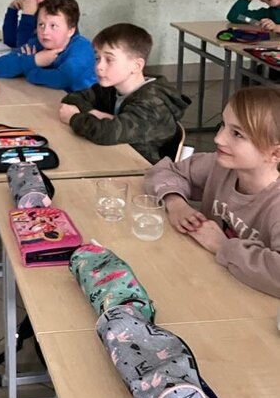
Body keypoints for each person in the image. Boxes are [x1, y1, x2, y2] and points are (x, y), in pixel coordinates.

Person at [144, 88, 280, 299]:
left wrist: (222, 246)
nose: (218, 138)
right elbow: (164, 171)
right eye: (223, 125)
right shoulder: (221, 166)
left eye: (237, 134)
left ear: (275, 153)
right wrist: (176, 203)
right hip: (203, 284)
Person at [58, 23, 189, 163]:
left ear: (136, 66)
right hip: (115, 157)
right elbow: (73, 98)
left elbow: (107, 133)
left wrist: (74, 118)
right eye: (97, 58)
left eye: (109, 60)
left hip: (141, 169)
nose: (99, 66)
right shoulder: (111, 88)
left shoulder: (153, 105)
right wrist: (95, 113)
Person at [0, 0, 96, 92]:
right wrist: (35, 60)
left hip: (83, 104)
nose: (45, 32)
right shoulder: (37, 44)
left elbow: (63, 78)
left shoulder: (82, 48)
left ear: (71, 30)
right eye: (41, 25)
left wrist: (31, 72)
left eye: (53, 26)